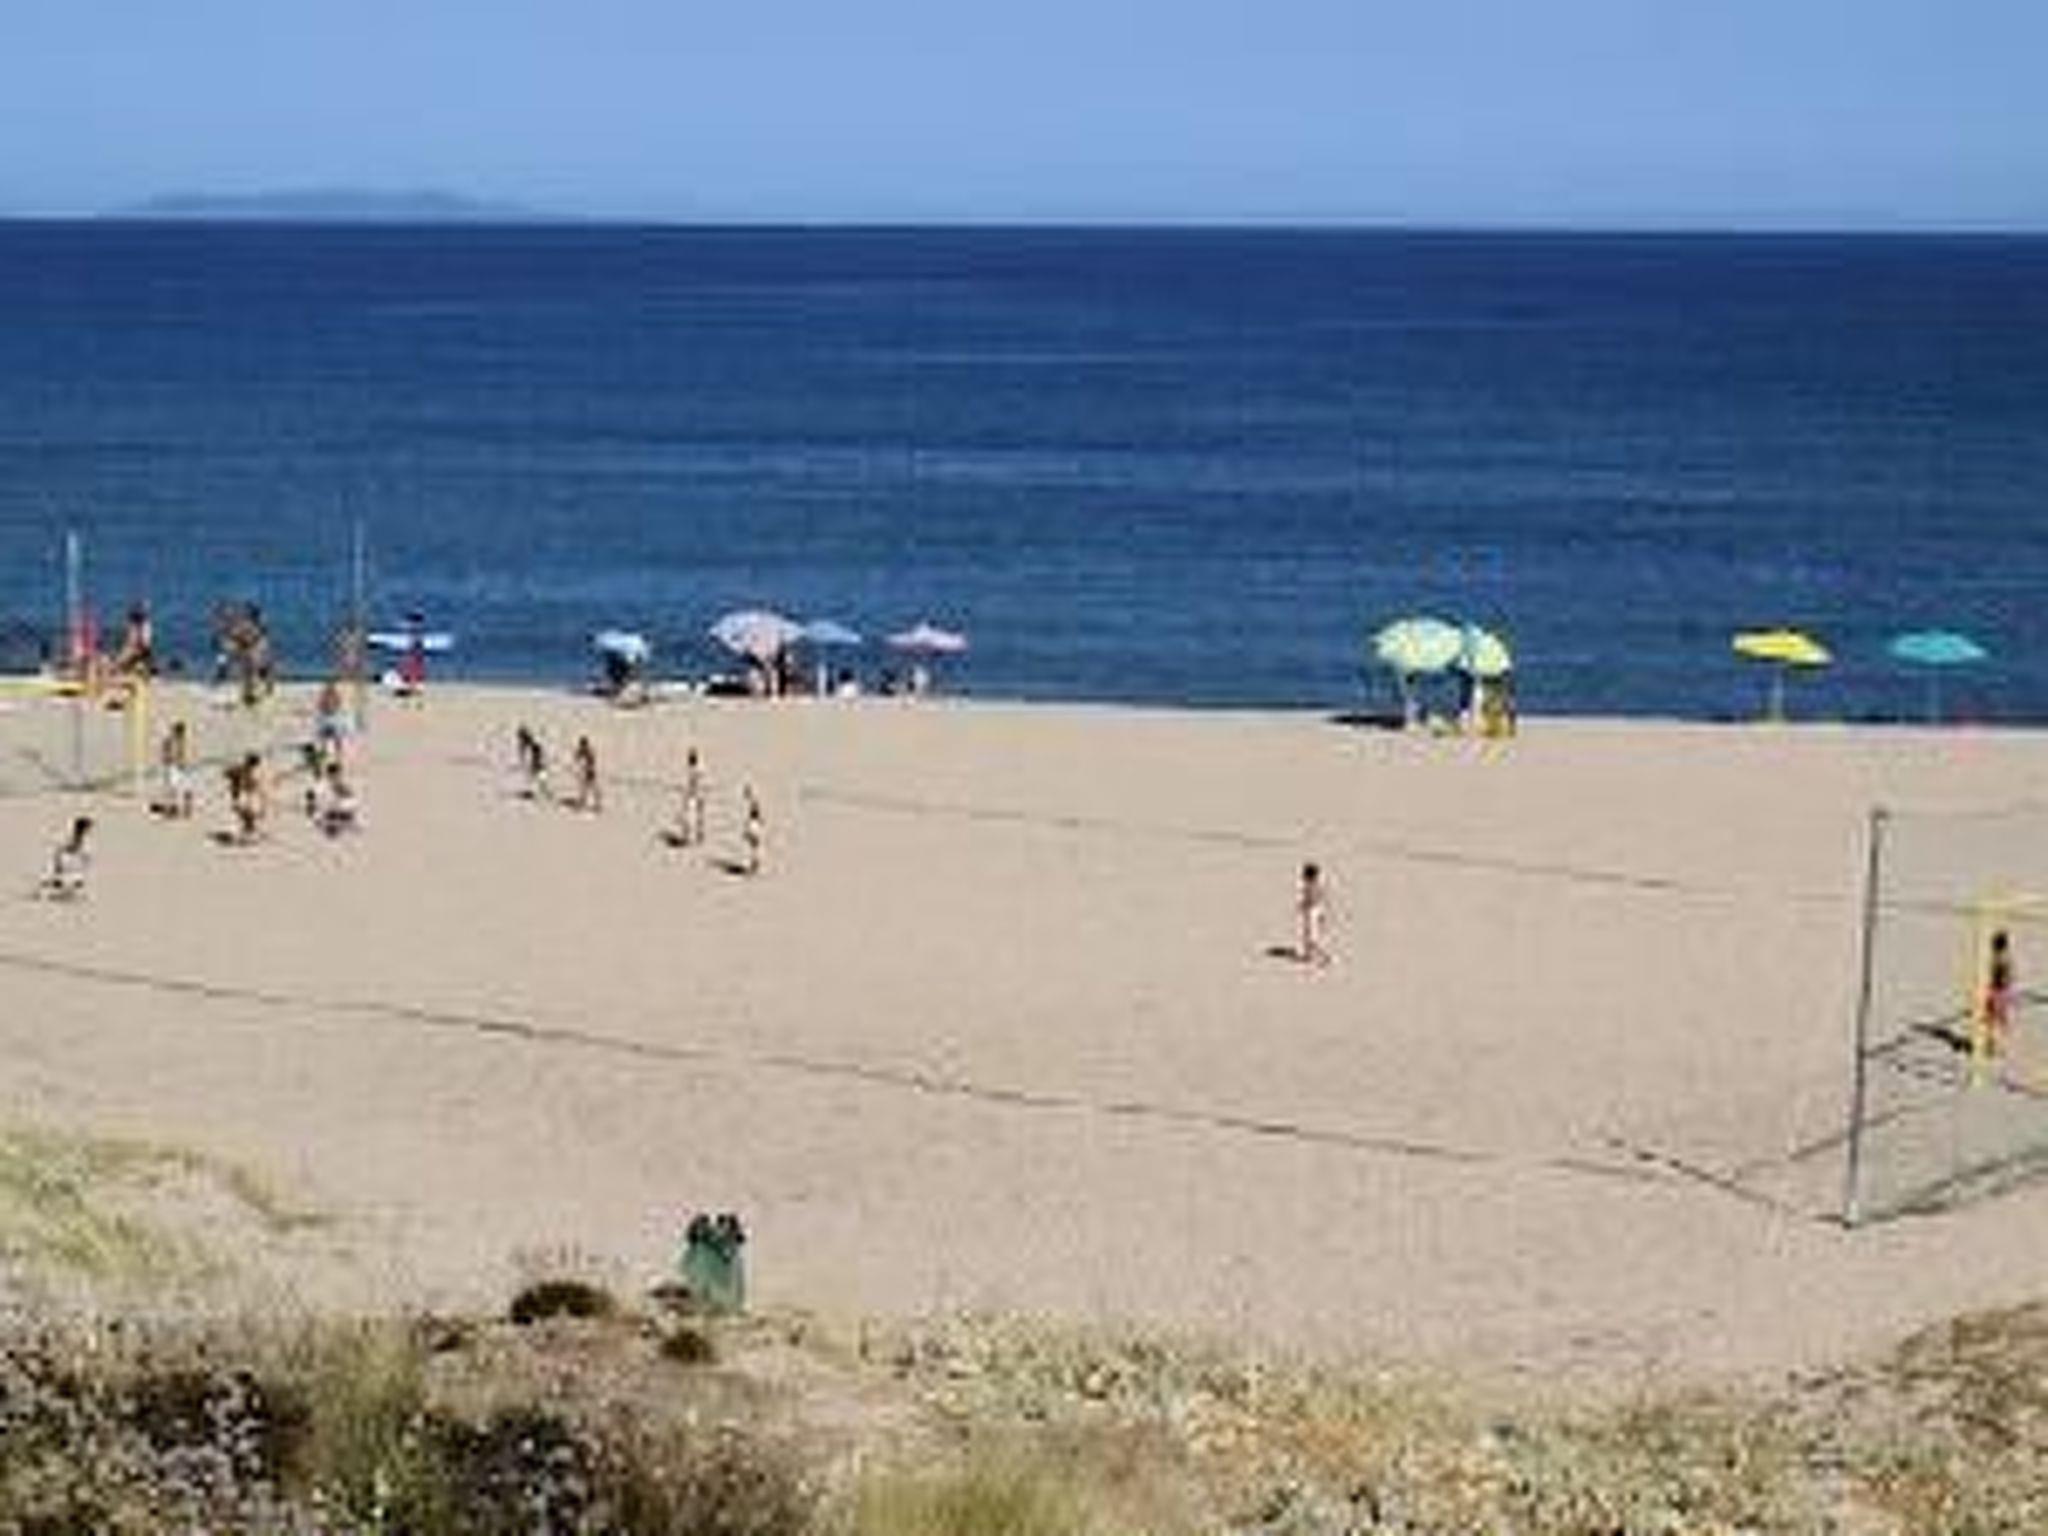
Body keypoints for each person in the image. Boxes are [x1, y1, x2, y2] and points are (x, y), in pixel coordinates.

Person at [1982, 929, 2016, 1056]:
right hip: (1999, 991)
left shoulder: (2001, 959)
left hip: (1998, 991)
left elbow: (2003, 977)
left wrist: (1998, 988)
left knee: (1995, 1019)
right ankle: (1995, 1046)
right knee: (1996, 1019)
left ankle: (1996, 1046)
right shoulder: (2002, 958)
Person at [41, 816, 92, 900]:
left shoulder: (83, 840)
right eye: (87, 827)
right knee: (59, 881)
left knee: (74, 881)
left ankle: (64, 889)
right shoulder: (67, 838)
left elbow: (82, 852)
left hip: (73, 863)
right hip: (65, 862)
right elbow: (60, 850)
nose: (88, 830)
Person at [154, 720, 194, 819]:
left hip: (181, 766)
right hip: (175, 766)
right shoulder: (170, 740)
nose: (181, 734)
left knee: (184, 788)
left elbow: (182, 754)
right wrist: (170, 761)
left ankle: (185, 808)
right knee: (174, 789)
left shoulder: (181, 741)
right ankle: (174, 808)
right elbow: (166, 753)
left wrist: (183, 762)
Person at [225, 752, 267, 843]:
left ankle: (249, 831)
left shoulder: (256, 772)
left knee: (249, 813)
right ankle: (245, 832)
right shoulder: (243, 769)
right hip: (244, 794)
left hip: (250, 795)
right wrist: (234, 776)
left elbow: (255, 783)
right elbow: (228, 773)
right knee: (245, 812)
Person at [1297, 861, 1330, 966]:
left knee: (1312, 935)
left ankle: (1322, 957)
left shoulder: (1313, 886)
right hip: (1310, 911)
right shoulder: (1309, 885)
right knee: (1307, 933)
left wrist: (1306, 905)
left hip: (1312, 911)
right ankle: (1308, 955)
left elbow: (1314, 899)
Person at [677, 746, 706, 846]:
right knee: (692, 816)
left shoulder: (695, 771)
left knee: (692, 816)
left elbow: (694, 783)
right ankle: (693, 836)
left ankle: (693, 836)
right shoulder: (696, 770)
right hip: (694, 795)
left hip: (693, 795)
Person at [515, 724, 550, 800]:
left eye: (520, 736)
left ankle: (542, 792)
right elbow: (524, 751)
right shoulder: (527, 742)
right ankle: (541, 792)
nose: (520, 739)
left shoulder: (532, 741)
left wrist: (536, 760)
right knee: (537, 777)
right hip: (535, 760)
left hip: (537, 761)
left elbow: (537, 750)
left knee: (539, 776)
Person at [571, 734, 600, 813]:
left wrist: (587, 767)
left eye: (583, 744)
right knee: (583, 789)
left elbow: (592, 762)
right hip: (583, 774)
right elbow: (576, 759)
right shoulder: (580, 751)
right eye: (582, 744)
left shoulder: (589, 752)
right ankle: (582, 803)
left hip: (589, 773)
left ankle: (596, 804)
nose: (582, 746)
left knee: (593, 788)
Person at [741, 785, 763, 876]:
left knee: (753, 849)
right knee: (754, 849)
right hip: (754, 828)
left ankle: (754, 865)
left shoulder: (753, 808)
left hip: (754, 828)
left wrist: (748, 833)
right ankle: (754, 865)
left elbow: (754, 811)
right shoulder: (753, 810)